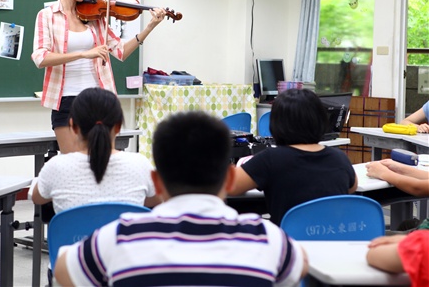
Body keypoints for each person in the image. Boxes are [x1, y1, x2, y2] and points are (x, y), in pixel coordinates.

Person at [54, 111, 308, 286]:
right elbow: (300, 267)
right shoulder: (268, 239)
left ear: (156, 182)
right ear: (230, 179)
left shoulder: (118, 237)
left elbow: (64, 271)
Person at [32, 0, 167, 153]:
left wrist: (150, 27)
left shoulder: (95, 16)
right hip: (66, 101)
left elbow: (120, 51)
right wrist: (83, 54)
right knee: (75, 167)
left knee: (104, 165)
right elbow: (40, 57)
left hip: (100, 99)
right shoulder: (47, 16)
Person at [229, 88, 358, 226]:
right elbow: (352, 187)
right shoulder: (340, 158)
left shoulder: (271, 159)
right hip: (330, 242)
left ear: (276, 124)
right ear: (321, 121)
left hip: (288, 244)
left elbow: (231, 186)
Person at [31, 87, 159, 213]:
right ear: (119, 126)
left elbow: (37, 198)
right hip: (122, 234)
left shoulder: (56, 166)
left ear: (73, 126)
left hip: (76, 235)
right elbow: (156, 200)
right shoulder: (140, 164)